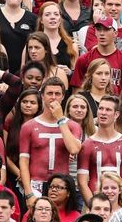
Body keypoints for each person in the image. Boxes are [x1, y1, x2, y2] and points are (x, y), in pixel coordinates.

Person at [18, 78, 82, 206]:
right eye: (49, 93)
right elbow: (24, 161)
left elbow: (74, 149)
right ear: (42, 95)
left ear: (63, 96)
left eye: (57, 94)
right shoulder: (29, 126)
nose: (53, 97)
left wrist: (60, 119)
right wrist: (29, 193)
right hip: (36, 183)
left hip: (62, 185)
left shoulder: (72, 126)